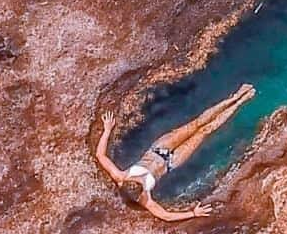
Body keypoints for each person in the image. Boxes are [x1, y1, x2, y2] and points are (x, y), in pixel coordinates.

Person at [94, 84, 255, 222]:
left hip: (158, 148)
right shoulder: (145, 200)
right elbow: (166, 216)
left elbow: (100, 155)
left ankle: (235, 96)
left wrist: (107, 130)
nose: (140, 181)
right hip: (172, 162)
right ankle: (240, 102)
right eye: (141, 186)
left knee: (197, 123)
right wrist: (192, 213)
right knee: (205, 131)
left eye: (136, 181)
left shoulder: (120, 176)